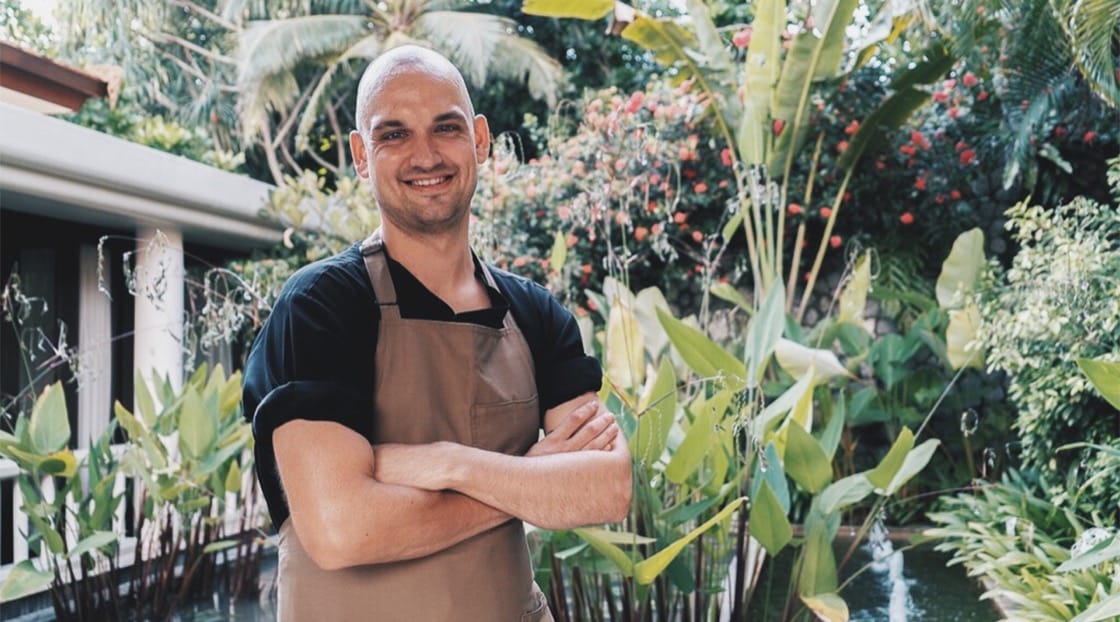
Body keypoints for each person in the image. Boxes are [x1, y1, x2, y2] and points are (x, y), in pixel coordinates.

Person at [242, 44, 632, 621]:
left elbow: (606, 488)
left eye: (445, 128)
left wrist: (452, 463)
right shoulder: (323, 306)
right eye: (393, 134)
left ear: (479, 140)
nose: (425, 155)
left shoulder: (535, 314)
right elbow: (339, 528)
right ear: (360, 155)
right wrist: (529, 472)